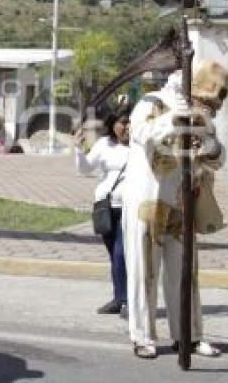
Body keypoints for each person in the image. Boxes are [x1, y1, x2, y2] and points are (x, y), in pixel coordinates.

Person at [123, 63, 228, 360]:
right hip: (148, 201)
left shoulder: (203, 115)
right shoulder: (153, 102)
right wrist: (178, 118)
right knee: (145, 270)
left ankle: (190, 336)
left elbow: (217, 156)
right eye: (208, 103)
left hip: (183, 203)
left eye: (214, 106)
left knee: (185, 274)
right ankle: (142, 335)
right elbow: (143, 133)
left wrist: (208, 146)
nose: (211, 110)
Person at [75, 106, 131, 316]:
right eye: (122, 122)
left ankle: (127, 301)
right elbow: (85, 169)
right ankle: (119, 298)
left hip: (130, 208)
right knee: (114, 256)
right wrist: (79, 150)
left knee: (121, 254)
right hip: (106, 207)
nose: (126, 127)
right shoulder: (104, 144)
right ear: (113, 124)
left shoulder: (141, 146)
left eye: (129, 122)